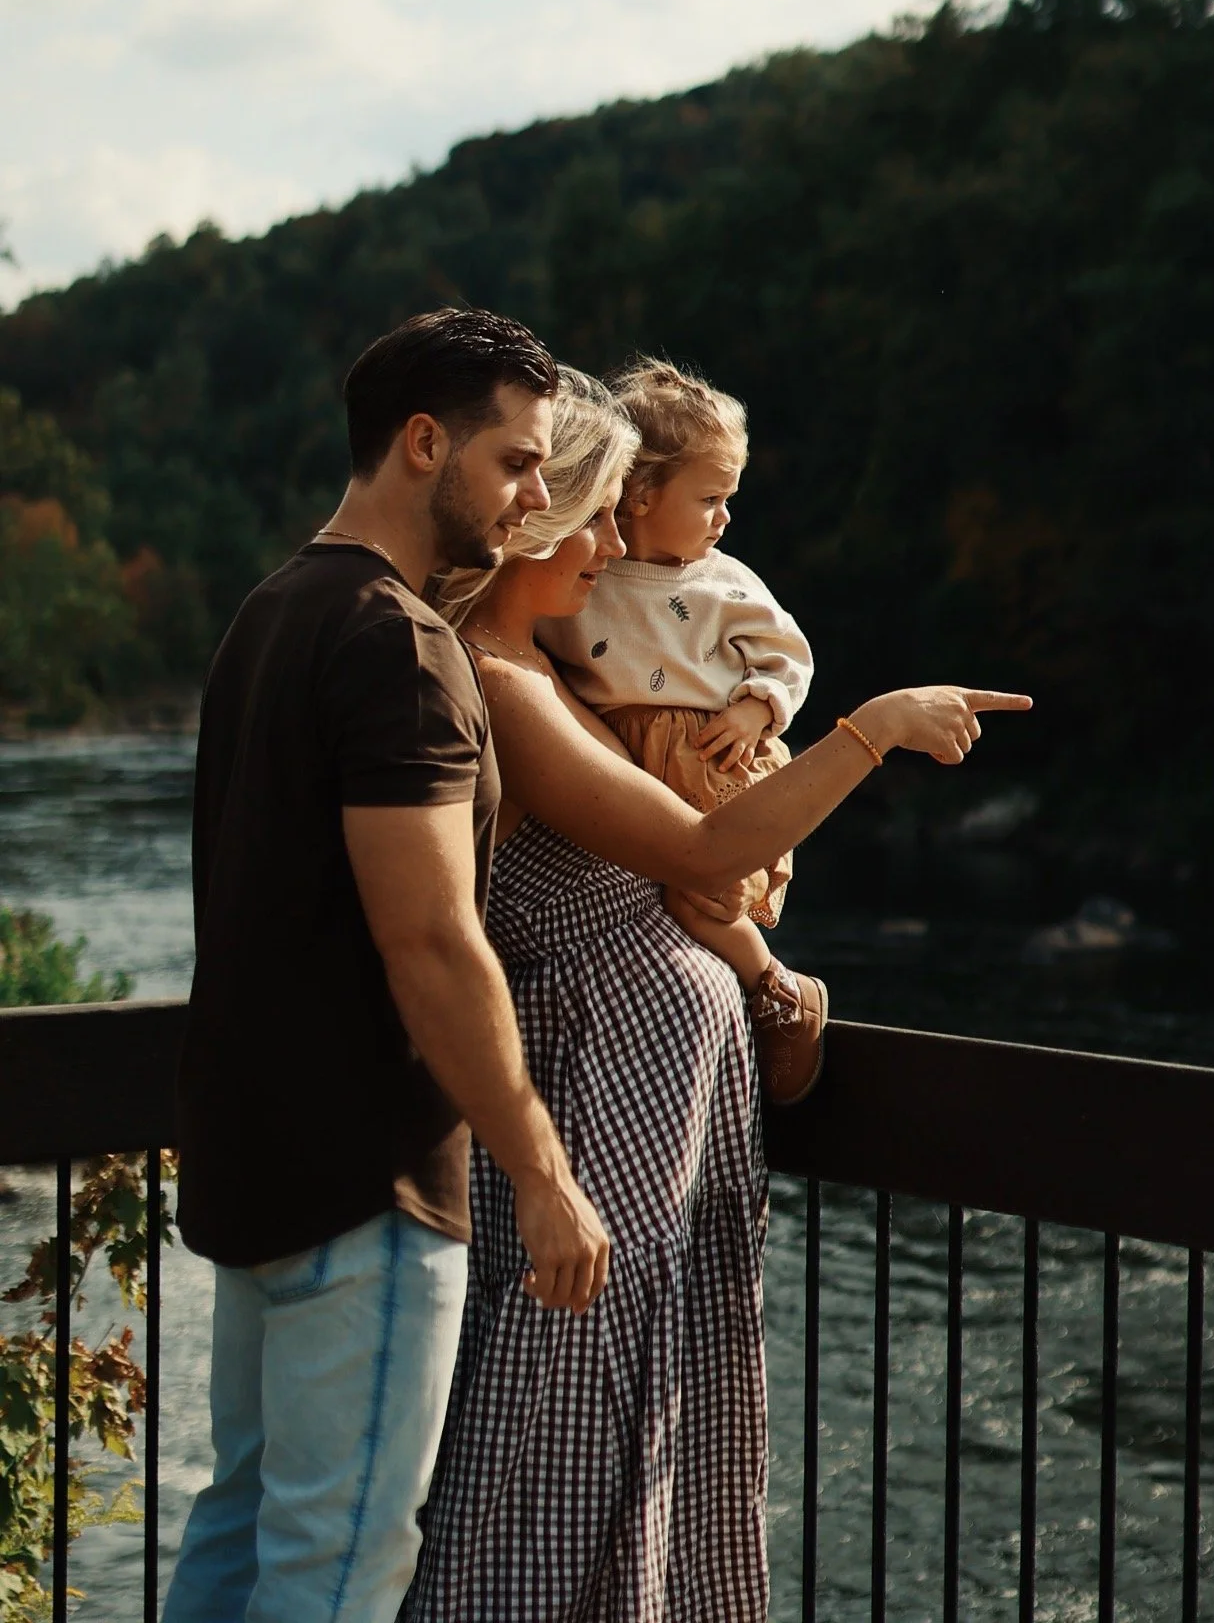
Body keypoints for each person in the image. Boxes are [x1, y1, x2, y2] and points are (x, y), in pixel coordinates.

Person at [406, 367, 1031, 1622]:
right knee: (546, 1438)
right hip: (590, 1113)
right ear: (531, 531)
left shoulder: (574, 678)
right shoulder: (510, 683)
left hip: (658, 1121)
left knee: (645, 1438)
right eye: (586, 521)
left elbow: (703, 840)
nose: (608, 548)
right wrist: (872, 729)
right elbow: (705, 853)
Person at [165, 309, 610, 1623]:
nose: (536, 499)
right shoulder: (400, 646)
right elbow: (428, 941)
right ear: (426, 444)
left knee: (241, 1529)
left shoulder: (271, 613)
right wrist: (538, 1171)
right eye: (519, 463)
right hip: (365, 1191)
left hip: (253, 1166)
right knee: (338, 1567)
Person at [536, 355, 827, 1103]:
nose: (724, 518)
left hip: (707, 755)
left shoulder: (722, 579)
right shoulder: (586, 568)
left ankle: (777, 989)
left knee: (699, 896)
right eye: (709, 499)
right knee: (643, 889)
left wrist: (756, 708)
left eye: (727, 499)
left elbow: (787, 653)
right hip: (626, 756)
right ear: (636, 494)